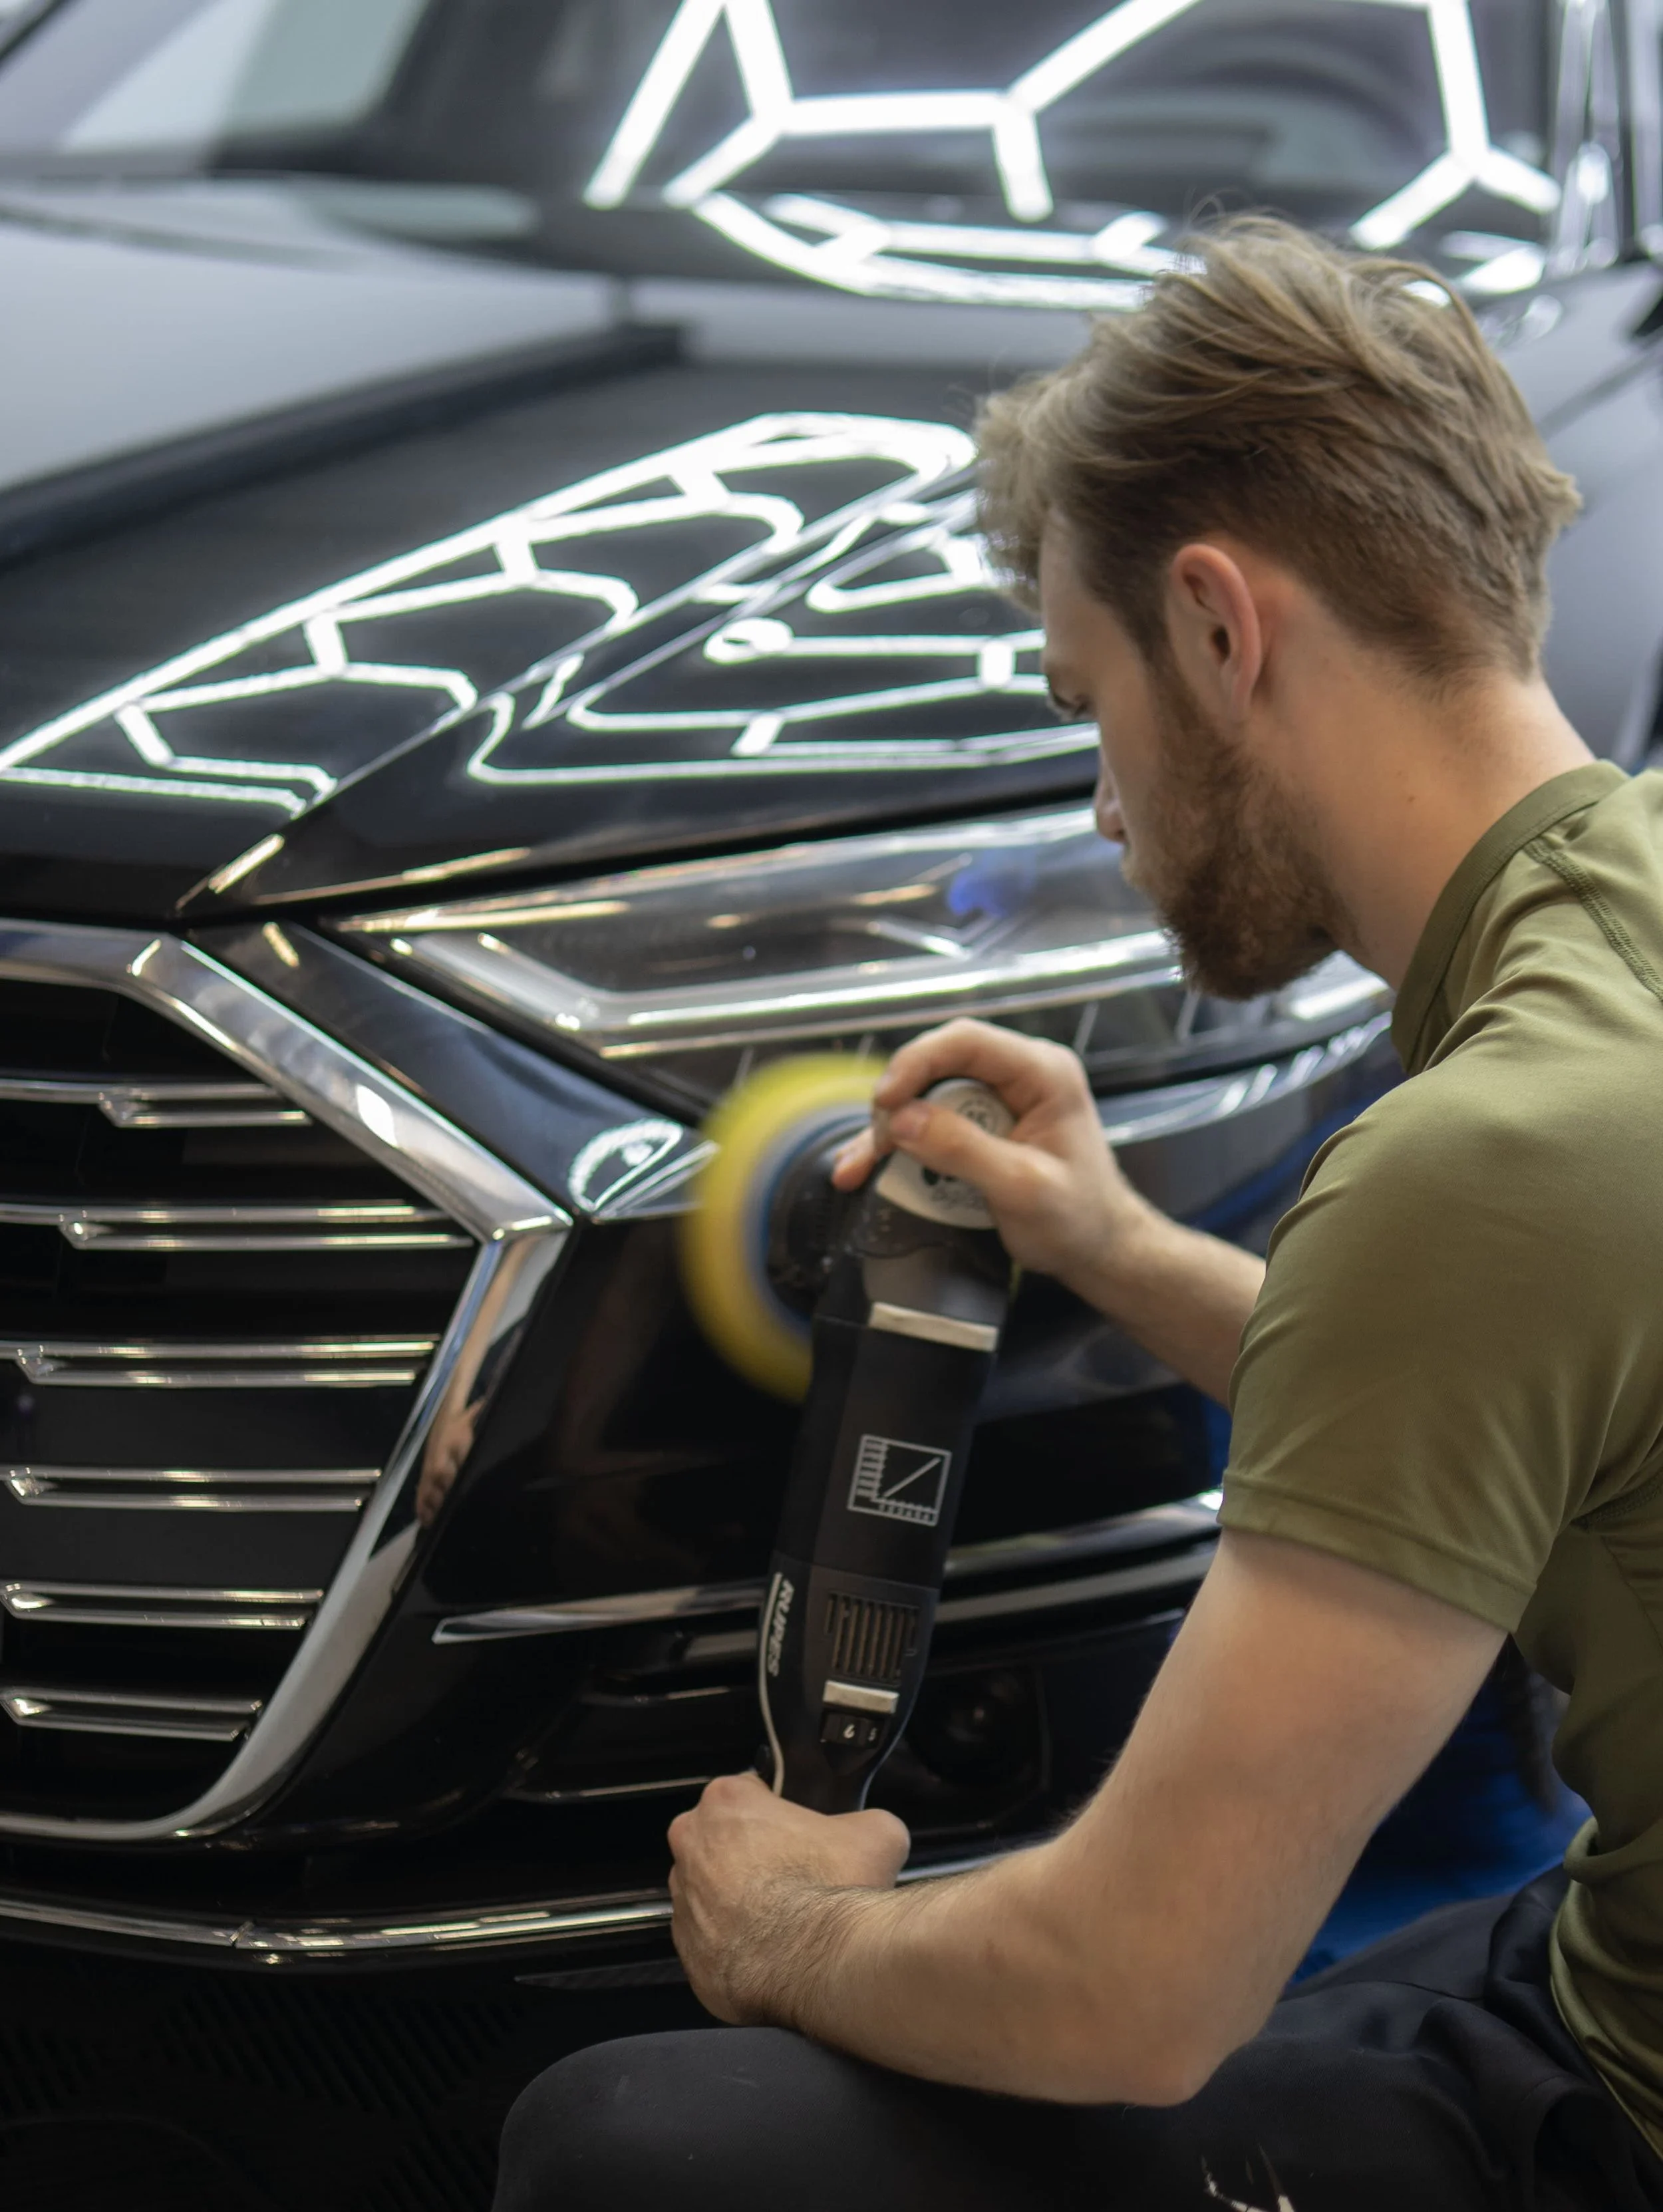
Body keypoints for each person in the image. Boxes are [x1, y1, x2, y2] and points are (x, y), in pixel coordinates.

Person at [492, 217, 1663, 2211]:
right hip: (1604, 1922)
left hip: (1625, 2100)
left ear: (1214, 627)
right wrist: (1112, 1247)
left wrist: (786, 1926)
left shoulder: (1480, 1161)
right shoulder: (1600, 997)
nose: (1108, 806)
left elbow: (1132, 1994)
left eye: (1086, 698)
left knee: (623, 2147)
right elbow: (1505, 1391)